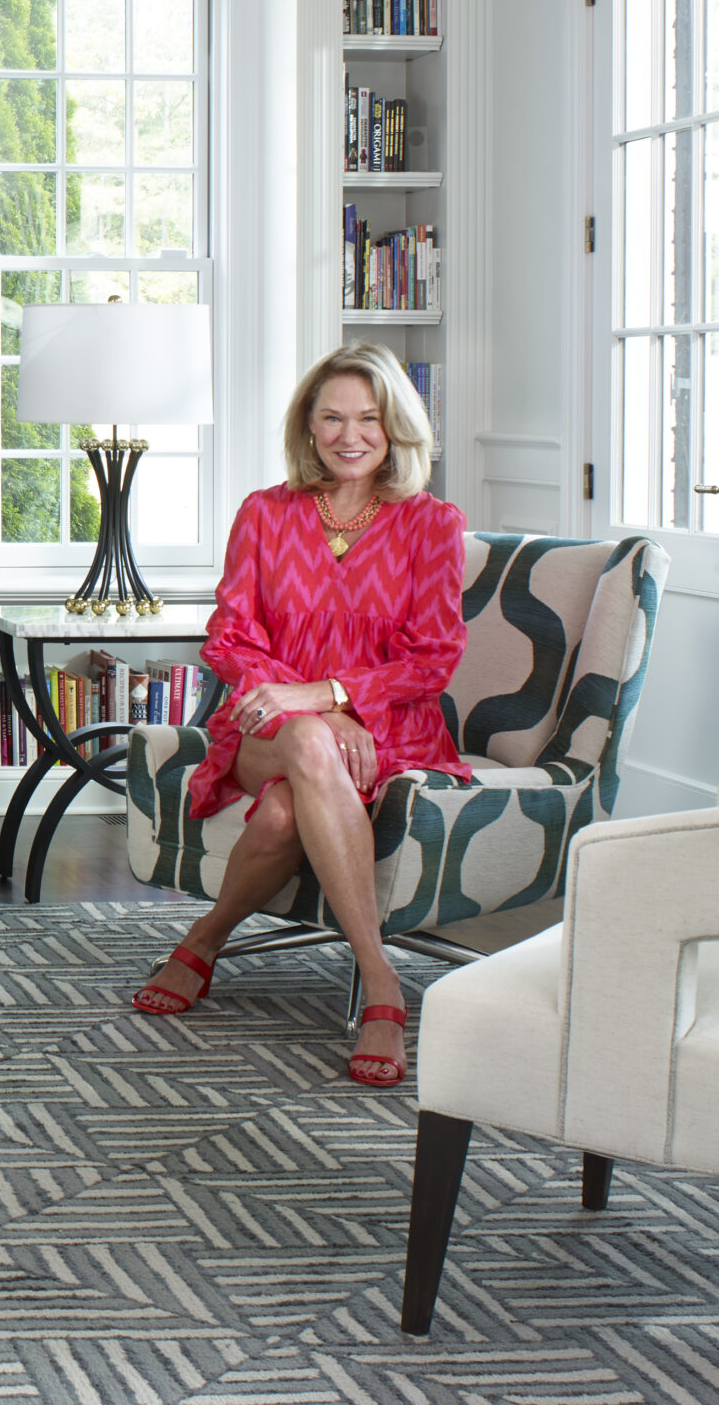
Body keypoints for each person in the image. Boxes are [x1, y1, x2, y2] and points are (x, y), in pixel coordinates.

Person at [133, 343, 467, 1087]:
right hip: (263, 726)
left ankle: (206, 938)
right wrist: (305, 709)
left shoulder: (431, 524)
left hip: (390, 731)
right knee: (308, 746)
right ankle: (381, 981)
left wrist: (326, 699)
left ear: (396, 428)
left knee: (283, 812)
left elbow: (434, 658)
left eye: (369, 419)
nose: (351, 435)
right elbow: (230, 638)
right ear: (309, 428)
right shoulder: (265, 513)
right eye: (333, 418)